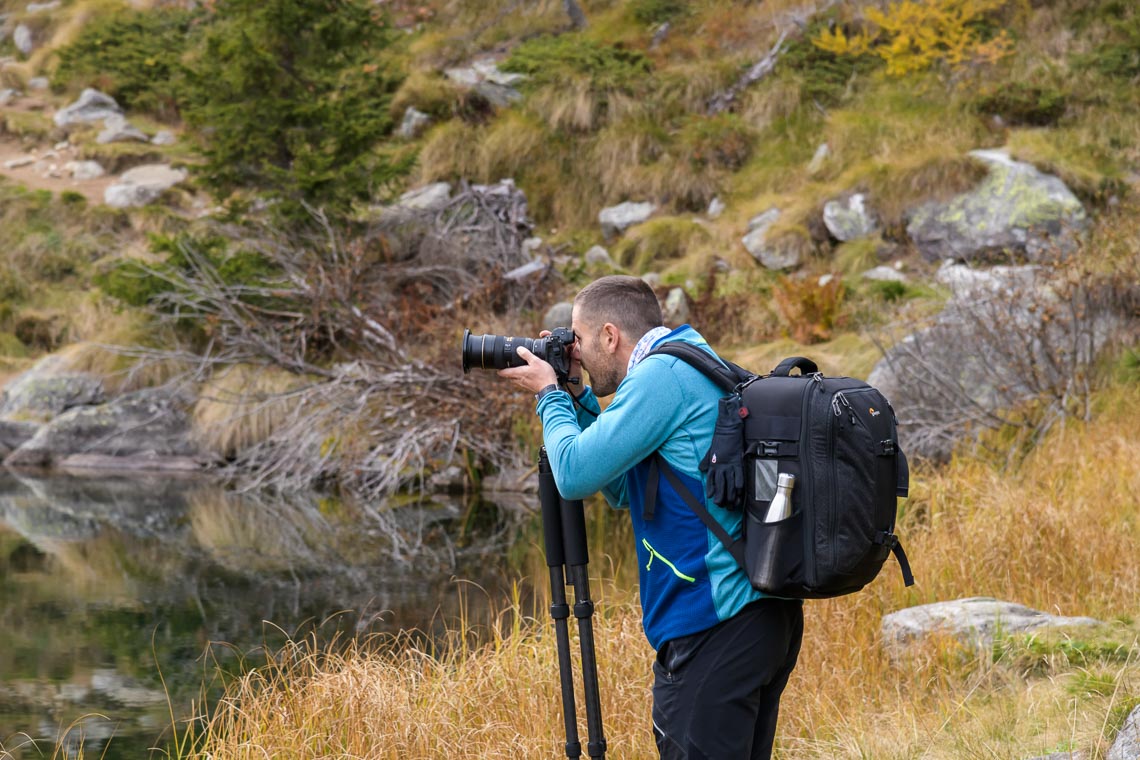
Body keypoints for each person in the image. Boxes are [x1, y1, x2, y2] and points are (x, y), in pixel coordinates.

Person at [499, 275, 803, 759]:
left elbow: (574, 474)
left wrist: (549, 396)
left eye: (578, 339)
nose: (573, 350)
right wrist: (577, 398)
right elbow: (624, 489)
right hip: (755, 617)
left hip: (713, 624)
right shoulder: (687, 357)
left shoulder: (661, 378)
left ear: (610, 336)